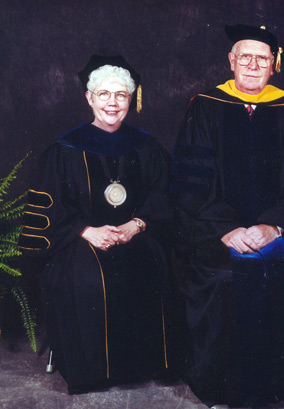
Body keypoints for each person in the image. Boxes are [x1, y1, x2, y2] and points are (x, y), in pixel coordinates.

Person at [171, 24, 284, 407]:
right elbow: (191, 182)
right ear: (231, 61)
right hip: (214, 235)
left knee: (283, 276)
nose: (253, 64)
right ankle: (220, 388)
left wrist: (273, 226)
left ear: (274, 65)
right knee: (225, 280)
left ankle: (272, 388)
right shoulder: (203, 106)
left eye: (262, 58)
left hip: (278, 235)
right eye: (245, 57)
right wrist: (227, 229)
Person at [18, 55, 177, 393]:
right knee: (87, 276)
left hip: (135, 233)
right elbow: (48, 209)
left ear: (131, 100)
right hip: (78, 239)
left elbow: (164, 195)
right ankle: (94, 372)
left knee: (155, 261)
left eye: (120, 95)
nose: (112, 103)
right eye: (103, 94)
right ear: (89, 98)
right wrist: (86, 231)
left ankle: (145, 366)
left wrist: (136, 225)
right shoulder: (64, 149)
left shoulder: (147, 146)